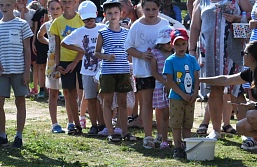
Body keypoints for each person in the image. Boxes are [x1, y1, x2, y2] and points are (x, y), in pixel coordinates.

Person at [188, 0, 248, 140]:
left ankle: (246, 132)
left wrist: (238, 18)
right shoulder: (201, 2)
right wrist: (191, 50)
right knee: (214, 89)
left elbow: (253, 15)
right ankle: (216, 130)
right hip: (209, 51)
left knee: (237, 90)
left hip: (234, 49)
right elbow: (195, 26)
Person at [125, 0, 173, 149]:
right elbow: (128, 47)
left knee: (161, 105)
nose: (151, 13)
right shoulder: (137, 25)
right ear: (141, 9)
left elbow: (173, 44)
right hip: (144, 72)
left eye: (154, 9)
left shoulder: (165, 23)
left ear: (159, 8)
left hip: (163, 72)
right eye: (147, 9)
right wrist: (141, 54)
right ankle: (148, 136)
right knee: (146, 103)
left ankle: (161, 134)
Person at [0, 0, 33, 147]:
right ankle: (2, 135)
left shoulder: (22, 24)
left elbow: (27, 50)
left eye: (8, 5)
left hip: (19, 70)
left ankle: (19, 136)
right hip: (2, 72)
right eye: (2, 5)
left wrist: (27, 72)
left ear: (14, 5)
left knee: (20, 101)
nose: (4, 8)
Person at [61, 1, 106, 136]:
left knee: (102, 99)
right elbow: (64, 42)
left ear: (96, 15)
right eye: (85, 19)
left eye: (91, 18)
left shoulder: (103, 28)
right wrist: (81, 50)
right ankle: (94, 124)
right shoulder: (80, 31)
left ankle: (103, 123)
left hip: (102, 69)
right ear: (81, 18)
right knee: (90, 98)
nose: (89, 21)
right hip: (87, 70)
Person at [95, 0, 133, 142]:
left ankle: (124, 131)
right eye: (109, 13)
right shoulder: (103, 32)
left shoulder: (126, 32)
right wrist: (106, 56)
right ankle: (111, 132)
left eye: (115, 13)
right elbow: (96, 52)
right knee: (108, 102)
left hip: (123, 70)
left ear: (121, 14)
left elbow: (129, 49)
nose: (113, 16)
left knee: (122, 103)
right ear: (105, 15)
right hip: (108, 72)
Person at [163, 28, 199, 160]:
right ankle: (177, 148)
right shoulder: (170, 61)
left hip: (190, 97)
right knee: (176, 124)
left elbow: (196, 77)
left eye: (183, 44)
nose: (181, 47)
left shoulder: (192, 59)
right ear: (172, 45)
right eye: (177, 44)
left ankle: (188, 146)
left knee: (188, 124)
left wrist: (195, 93)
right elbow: (170, 81)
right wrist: (183, 94)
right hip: (177, 97)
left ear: (188, 43)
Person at [50, 0, 84, 135]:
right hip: (64, 61)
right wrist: (58, 64)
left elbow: (84, 44)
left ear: (75, 2)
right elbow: (57, 45)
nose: (67, 3)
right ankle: (74, 124)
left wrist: (75, 61)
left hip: (80, 59)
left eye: (70, 1)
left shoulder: (81, 19)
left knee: (83, 91)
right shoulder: (57, 22)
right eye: (64, 1)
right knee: (69, 93)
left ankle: (90, 122)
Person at [38, 0, 65, 133]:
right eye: (52, 8)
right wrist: (49, 43)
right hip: (52, 60)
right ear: (48, 10)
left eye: (57, 8)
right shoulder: (47, 25)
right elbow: (39, 36)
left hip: (66, 58)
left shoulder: (65, 24)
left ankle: (72, 121)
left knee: (69, 91)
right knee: (53, 92)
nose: (55, 11)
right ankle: (54, 123)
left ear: (62, 9)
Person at [149, 28, 173, 149]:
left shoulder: (175, 54)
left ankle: (168, 135)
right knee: (161, 112)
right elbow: (153, 71)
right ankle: (161, 135)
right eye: (167, 42)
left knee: (170, 113)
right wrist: (165, 82)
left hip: (173, 87)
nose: (169, 45)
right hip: (160, 87)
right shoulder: (155, 53)